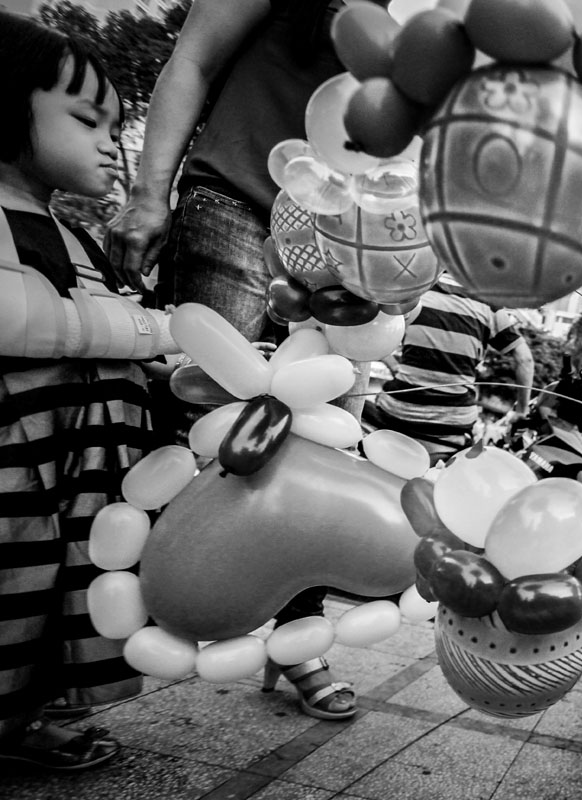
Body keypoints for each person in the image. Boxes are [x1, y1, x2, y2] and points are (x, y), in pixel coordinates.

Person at [105, 0, 390, 722]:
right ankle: (168, 602)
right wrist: (148, 193)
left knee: (322, 448)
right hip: (236, 198)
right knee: (216, 430)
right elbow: (194, 57)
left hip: (343, 251)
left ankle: (296, 638)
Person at [0, 14, 177, 769]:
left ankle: (21, 721)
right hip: (19, 456)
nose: (111, 144)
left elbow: (117, 325)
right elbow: (26, 320)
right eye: (85, 120)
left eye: (114, 125)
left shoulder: (73, 237)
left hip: (79, 463)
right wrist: (151, 334)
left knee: (53, 593)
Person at [367, 275, 534, 464]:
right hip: (450, 425)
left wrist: (394, 366)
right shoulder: (489, 305)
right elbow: (525, 359)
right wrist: (521, 411)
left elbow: (373, 333)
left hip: (397, 412)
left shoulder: (418, 289)